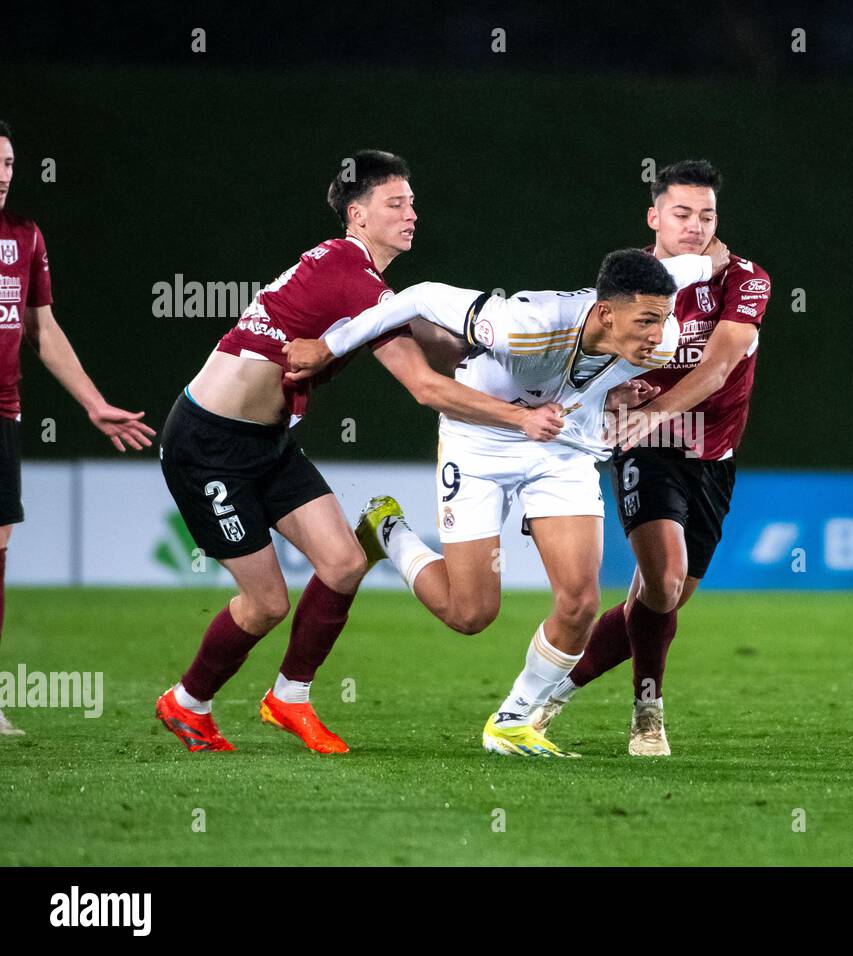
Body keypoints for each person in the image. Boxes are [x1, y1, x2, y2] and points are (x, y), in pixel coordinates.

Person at [154, 149, 564, 754]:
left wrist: (551, 360)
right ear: (357, 214)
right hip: (207, 446)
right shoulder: (352, 276)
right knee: (266, 602)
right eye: (395, 203)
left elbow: (450, 347)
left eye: (413, 202)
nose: (411, 213)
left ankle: (288, 700)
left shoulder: (366, 282)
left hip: (266, 443)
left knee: (344, 564)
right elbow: (426, 385)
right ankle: (187, 703)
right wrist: (520, 417)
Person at [282, 243, 726, 756]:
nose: (658, 336)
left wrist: (715, 261)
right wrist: (330, 347)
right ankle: (388, 529)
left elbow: (697, 265)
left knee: (580, 601)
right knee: (469, 614)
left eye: (664, 320)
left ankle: (513, 720)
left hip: (561, 448)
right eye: (647, 321)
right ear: (605, 312)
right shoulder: (525, 324)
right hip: (480, 441)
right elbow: (421, 295)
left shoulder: (660, 333)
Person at [534, 160, 772, 755]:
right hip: (647, 447)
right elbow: (588, 364)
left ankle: (548, 694)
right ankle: (649, 713)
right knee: (662, 583)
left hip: (713, 455)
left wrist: (653, 408)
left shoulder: (747, 280)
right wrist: (616, 399)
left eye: (707, 215)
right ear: (655, 217)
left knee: (660, 599)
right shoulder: (628, 283)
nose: (695, 225)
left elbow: (719, 367)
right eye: (682, 213)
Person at [0, 120, 156, 737]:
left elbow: (42, 329)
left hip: (3, 414)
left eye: (10, 162)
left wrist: (93, 402)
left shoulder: (24, 236)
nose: (4, 173)